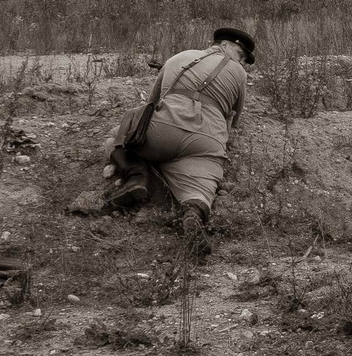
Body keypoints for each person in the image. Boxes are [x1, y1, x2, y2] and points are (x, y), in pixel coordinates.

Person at [98, 27, 255, 227]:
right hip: (206, 141)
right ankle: (193, 212)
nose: (242, 62)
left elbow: (151, 104)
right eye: (240, 55)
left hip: (162, 130)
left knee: (114, 137)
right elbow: (233, 121)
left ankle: (136, 176)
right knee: (202, 188)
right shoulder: (239, 73)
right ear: (224, 46)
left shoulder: (179, 57)